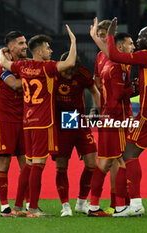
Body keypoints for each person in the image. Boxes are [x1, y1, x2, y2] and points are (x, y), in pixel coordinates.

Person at [92, 17, 147, 217]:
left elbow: (115, 55)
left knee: (128, 155)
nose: (138, 41)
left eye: (141, 38)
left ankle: (135, 204)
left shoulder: (146, 56)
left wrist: (109, 35)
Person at [0, 25, 77, 217]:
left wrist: (1, 52)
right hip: (43, 122)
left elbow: (4, 64)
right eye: (48, 48)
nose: (51, 51)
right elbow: (70, 63)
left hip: (28, 121)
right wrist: (74, 42)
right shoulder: (47, 67)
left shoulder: (22, 66)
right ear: (40, 51)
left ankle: (17, 206)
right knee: (38, 165)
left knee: (30, 164)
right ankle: (32, 207)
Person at [87, 31, 136, 217]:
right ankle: (121, 206)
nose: (133, 47)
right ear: (120, 46)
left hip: (106, 117)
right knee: (123, 160)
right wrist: (133, 89)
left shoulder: (106, 62)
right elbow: (117, 95)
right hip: (117, 119)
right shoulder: (118, 67)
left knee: (105, 163)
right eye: (130, 44)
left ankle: (94, 206)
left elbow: (100, 85)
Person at [53, 52, 100, 216]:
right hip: (59, 123)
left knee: (92, 163)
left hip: (78, 120)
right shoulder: (52, 73)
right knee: (61, 167)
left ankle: (81, 202)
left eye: (72, 71)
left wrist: (101, 110)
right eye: (67, 70)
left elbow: (94, 91)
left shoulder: (82, 74)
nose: (69, 74)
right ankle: (65, 206)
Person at [0, 31, 27, 217]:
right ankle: (4, 206)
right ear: (11, 47)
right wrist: (34, 77)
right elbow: (14, 84)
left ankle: (26, 205)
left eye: (25, 42)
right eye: (21, 43)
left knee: (26, 164)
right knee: (4, 162)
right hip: (4, 119)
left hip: (23, 119)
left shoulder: (24, 65)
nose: (25, 46)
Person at [90, 18, 120, 214]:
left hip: (120, 114)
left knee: (118, 160)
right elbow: (95, 83)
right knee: (111, 160)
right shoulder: (100, 58)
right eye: (98, 35)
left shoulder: (116, 56)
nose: (100, 38)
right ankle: (103, 204)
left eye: (103, 35)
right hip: (109, 115)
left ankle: (116, 203)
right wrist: (97, 107)